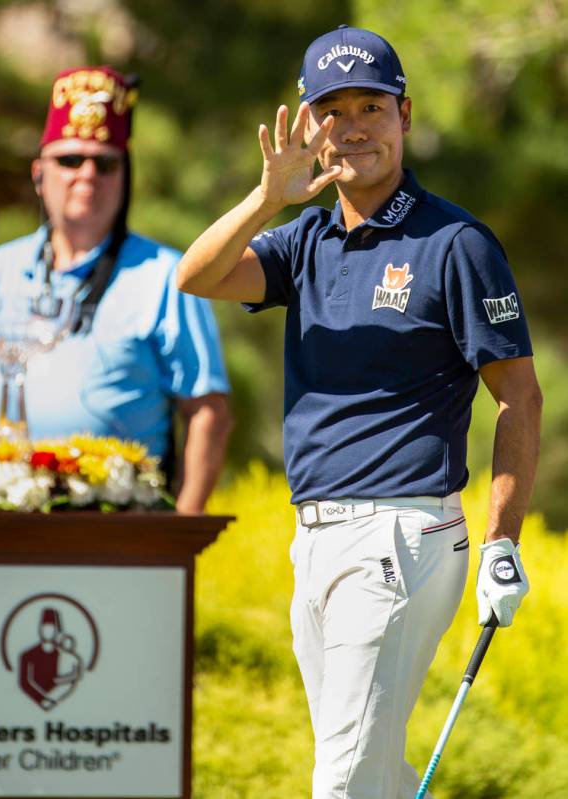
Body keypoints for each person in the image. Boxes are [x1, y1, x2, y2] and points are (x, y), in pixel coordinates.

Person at [177, 24, 542, 799]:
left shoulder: (456, 243)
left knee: (340, 779)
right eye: (332, 110)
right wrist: (266, 197)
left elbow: (519, 395)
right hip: (315, 540)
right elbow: (198, 275)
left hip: (403, 536)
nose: (353, 127)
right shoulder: (303, 236)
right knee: (372, 772)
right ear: (310, 127)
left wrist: (503, 539)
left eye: (370, 105)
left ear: (405, 115)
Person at [0, 66, 232, 513]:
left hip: (112, 524)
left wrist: (181, 530)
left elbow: (207, 412)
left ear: (126, 176)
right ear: (38, 173)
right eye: (69, 160)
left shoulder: (167, 275)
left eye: (105, 162)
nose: (86, 175)